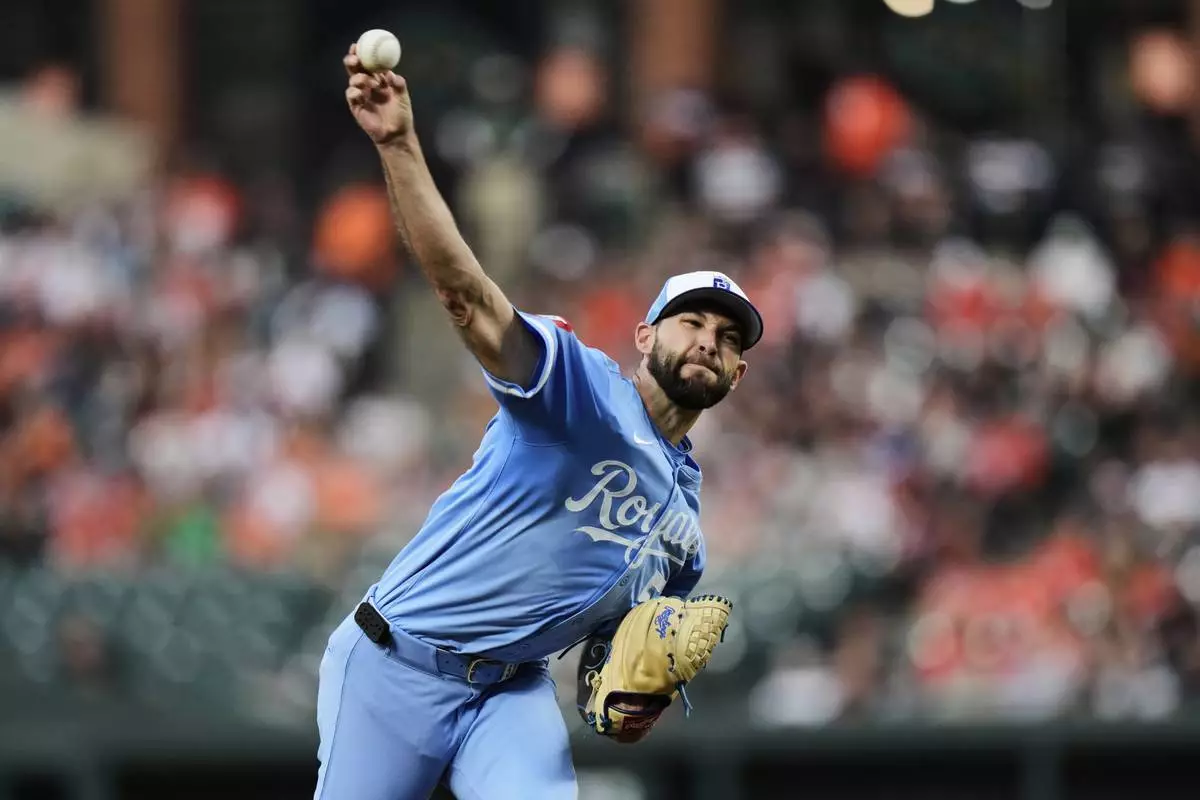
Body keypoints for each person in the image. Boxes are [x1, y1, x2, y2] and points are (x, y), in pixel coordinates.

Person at [314, 44, 763, 800]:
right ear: (645, 336)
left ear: (737, 374)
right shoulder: (580, 390)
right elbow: (467, 298)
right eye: (691, 322)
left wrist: (626, 700)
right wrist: (398, 145)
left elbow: (605, 678)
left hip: (511, 693)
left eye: (728, 339)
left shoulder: (683, 534)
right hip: (396, 665)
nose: (708, 342)